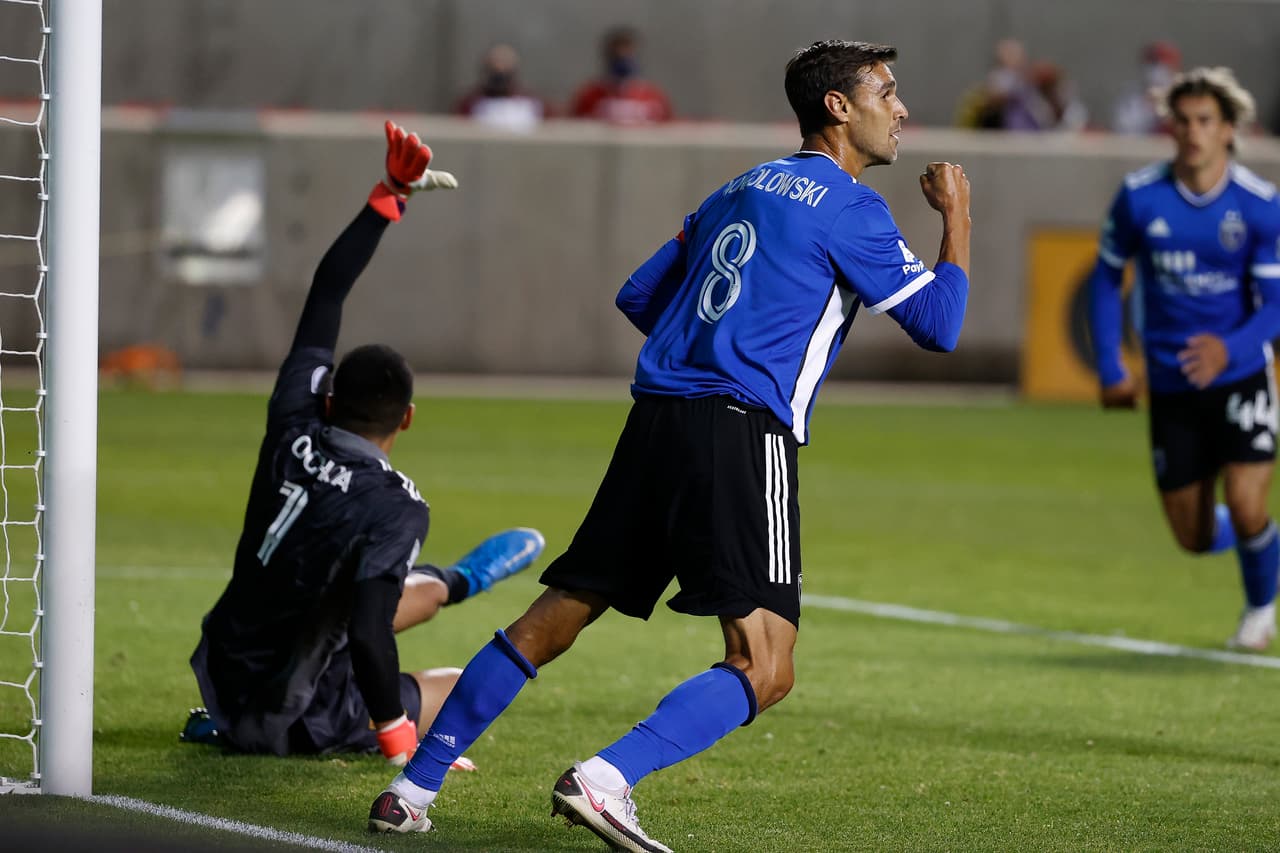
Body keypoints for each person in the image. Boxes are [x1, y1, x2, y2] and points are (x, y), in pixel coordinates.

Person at [367, 39, 971, 849]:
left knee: (554, 617)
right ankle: (606, 778)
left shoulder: (736, 189)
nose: (900, 110)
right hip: (738, 432)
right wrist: (958, 220)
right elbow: (941, 325)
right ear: (837, 106)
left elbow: (639, 293)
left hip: (656, 421)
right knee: (766, 664)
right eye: (887, 92)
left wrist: (709, 340)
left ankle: (412, 786)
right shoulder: (852, 206)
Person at [186, 121, 546, 765]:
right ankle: (452, 583)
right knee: (469, 682)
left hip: (223, 664)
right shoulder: (396, 505)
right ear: (406, 419)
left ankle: (454, 581)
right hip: (293, 714)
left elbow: (327, 289)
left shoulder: (294, 420)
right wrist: (398, 736)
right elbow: (369, 634)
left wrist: (388, 195)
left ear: (328, 399)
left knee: (370, 597)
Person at [1088, 67, 1280, 651]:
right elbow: (1105, 278)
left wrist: (1233, 348)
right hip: (1171, 384)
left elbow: (1274, 303)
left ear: (1228, 130)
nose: (1193, 132)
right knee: (1192, 536)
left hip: (1242, 377)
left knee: (1247, 502)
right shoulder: (1141, 196)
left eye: (1205, 121)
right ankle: (1262, 542)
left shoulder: (1258, 205)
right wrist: (1112, 367)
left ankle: (1259, 612)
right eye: (1183, 120)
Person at [568, 26, 673, 124]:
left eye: (628, 56)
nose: (623, 62)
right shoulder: (590, 96)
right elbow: (575, 126)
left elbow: (669, 127)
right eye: (617, 57)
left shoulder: (653, 97)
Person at [454, 43, 550, 133]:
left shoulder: (531, 103)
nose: (500, 76)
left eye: (505, 72)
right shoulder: (470, 104)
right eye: (495, 72)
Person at [1112, 41, 1182, 135]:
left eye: (1161, 64)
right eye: (1153, 63)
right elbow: (1122, 128)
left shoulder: (1180, 94)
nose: (1157, 70)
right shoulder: (1131, 95)